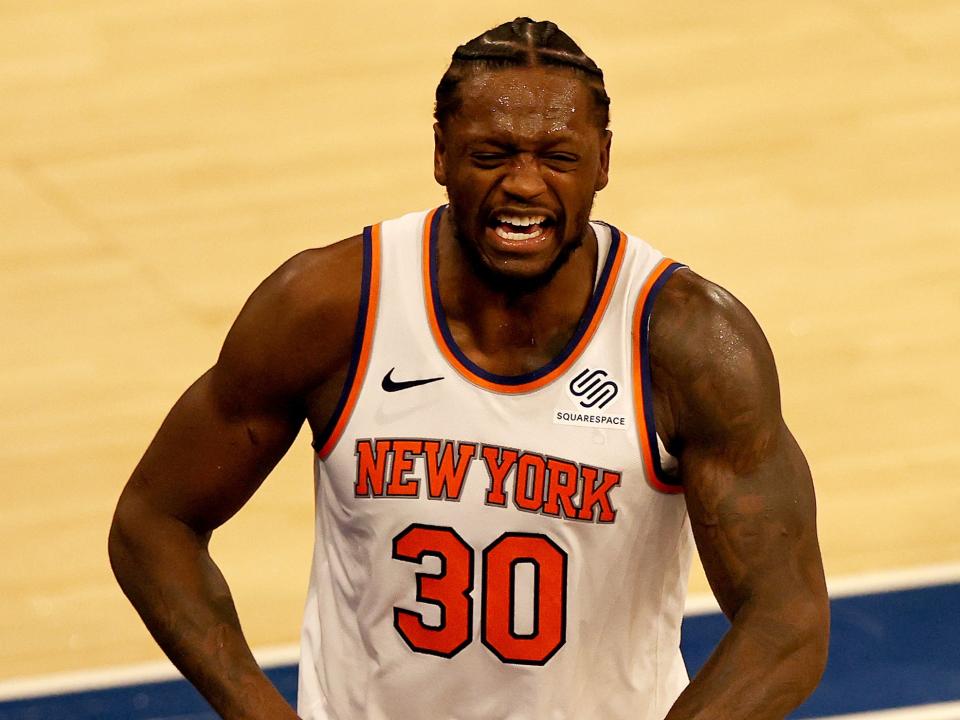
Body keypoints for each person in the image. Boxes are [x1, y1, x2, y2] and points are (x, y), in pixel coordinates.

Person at [109, 17, 829, 720]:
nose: (523, 183)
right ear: (440, 153)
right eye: (492, 154)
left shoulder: (685, 343)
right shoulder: (330, 310)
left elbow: (787, 619)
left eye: (557, 156)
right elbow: (153, 523)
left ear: (603, 161)